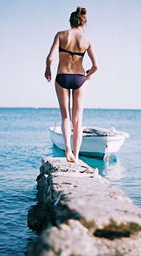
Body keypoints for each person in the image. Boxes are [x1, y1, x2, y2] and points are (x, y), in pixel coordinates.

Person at [45, 7, 98, 163]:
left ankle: (67, 147)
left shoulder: (61, 35)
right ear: (83, 22)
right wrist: (87, 76)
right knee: (78, 120)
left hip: (62, 76)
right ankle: (76, 155)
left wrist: (47, 69)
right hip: (79, 78)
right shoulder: (87, 40)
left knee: (65, 117)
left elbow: (49, 58)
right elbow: (96, 66)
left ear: (70, 21)